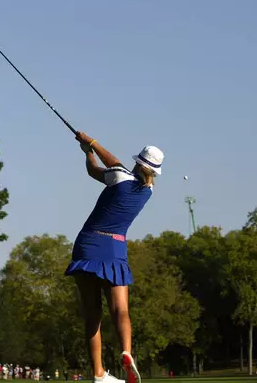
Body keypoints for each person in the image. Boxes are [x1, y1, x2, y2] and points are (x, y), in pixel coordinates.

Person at [64, 132, 164, 383]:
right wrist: (89, 147)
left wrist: (89, 145)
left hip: (88, 243)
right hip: (115, 249)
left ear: (138, 161)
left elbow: (96, 168)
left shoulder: (119, 176)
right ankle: (127, 352)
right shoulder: (148, 191)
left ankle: (98, 373)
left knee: (92, 313)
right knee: (120, 309)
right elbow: (108, 166)